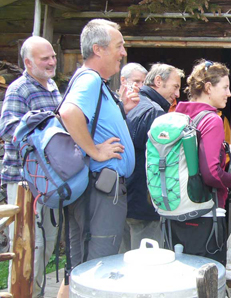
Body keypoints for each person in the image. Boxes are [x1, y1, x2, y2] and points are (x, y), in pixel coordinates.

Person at [57, 19, 139, 298]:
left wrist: (121, 109)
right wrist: (95, 150)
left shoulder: (97, 83)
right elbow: (68, 112)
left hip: (99, 188)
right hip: (101, 189)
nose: (123, 52)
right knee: (98, 267)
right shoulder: (90, 78)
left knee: (82, 267)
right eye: (119, 46)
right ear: (98, 49)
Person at [0, 36, 61, 297]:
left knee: (45, 246)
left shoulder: (52, 87)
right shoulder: (19, 89)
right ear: (28, 62)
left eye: (53, 56)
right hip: (25, 182)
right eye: (44, 58)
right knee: (27, 247)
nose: (51, 62)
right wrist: (45, 132)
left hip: (49, 181)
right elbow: (7, 129)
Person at [173, 59, 231, 266]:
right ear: (208, 88)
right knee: (207, 278)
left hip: (175, 212)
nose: (229, 93)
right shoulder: (211, 120)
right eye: (225, 87)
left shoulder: (178, 115)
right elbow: (212, 174)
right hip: (204, 215)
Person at [120, 63, 184, 252]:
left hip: (126, 196)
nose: (178, 94)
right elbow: (158, 164)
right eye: (175, 86)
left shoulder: (135, 104)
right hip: (144, 202)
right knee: (146, 263)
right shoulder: (155, 112)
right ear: (158, 81)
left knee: (124, 258)